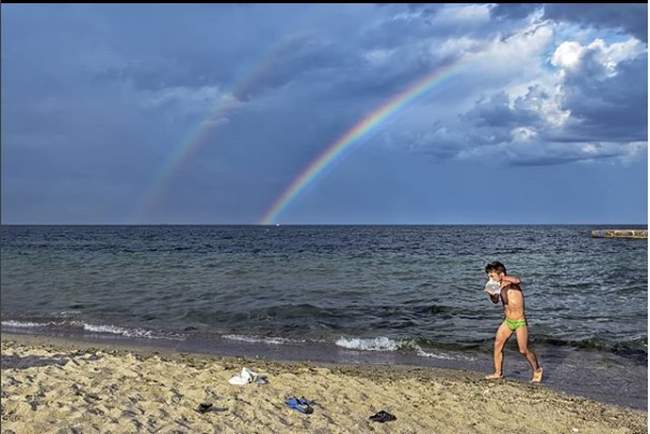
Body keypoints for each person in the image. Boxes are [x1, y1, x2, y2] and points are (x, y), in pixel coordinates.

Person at [484, 261, 543, 383]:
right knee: (497, 345)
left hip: (520, 321)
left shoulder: (511, 284)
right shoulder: (498, 286)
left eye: (492, 275)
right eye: (489, 276)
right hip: (508, 321)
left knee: (523, 350)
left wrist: (503, 278)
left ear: (501, 274)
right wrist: (491, 294)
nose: (489, 278)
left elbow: (518, 280)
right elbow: (495, 301)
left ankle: (537, 369)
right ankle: (498, 373)